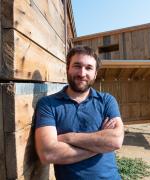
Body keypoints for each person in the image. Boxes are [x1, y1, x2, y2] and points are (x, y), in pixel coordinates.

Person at [35, 46, 124, 180]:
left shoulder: (106, 101)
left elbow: (115, 141)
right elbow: (48, 154)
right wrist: (101, 144)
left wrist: (68, 138)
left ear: (95, 73)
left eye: (89, 68)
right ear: (67, 69)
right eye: (77, 66)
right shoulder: (48, 104)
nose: (82, 73)